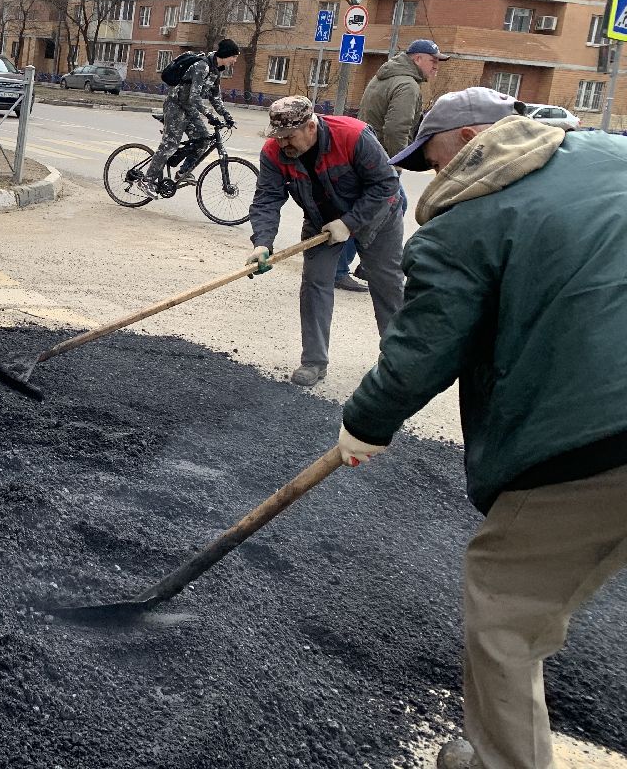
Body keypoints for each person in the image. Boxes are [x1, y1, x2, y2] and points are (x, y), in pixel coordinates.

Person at [332, 87, 627, 769]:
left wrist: (364, 424)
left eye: (432, 161)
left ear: (468, 142)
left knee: (505, 604)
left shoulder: (470, 220)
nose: (435, 179)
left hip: (598, 437)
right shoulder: (614, 156)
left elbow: (420, 353)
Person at [245, 95, 404, 387]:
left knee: (387, 285)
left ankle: (397, 360)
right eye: (278, 138)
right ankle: (314, 362)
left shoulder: (353, 136)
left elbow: (386, 183)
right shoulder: (273, 153)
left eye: (289, 137)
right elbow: (267, 198)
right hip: (321, 221)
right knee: (315, 284)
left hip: (377, 216)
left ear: (310, 126)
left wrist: (350, 223)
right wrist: (262, 243)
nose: (283, 145)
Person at [334, 38, 447, 292]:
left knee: (385, 208)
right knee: (374, 212)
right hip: (380, 160)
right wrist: (397, 163)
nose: (436, 67)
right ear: (417, 59)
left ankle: (364, 264)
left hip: (366, 154)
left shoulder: (385, 75)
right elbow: (397, 128)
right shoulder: (407, 85)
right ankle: (341, 269)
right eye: (433, 61)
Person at [143, 38, 238, 196]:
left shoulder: (216, 71)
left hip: (189, 109)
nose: (235, 60)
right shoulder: (202, 66)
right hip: (176, 106)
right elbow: (194, 97)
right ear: (226, 55)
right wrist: (209, 115)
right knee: (170, 145)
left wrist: (226, 115)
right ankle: (147, 180)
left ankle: (183, 173)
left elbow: (215, 97)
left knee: (204, 140)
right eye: (234, 56)